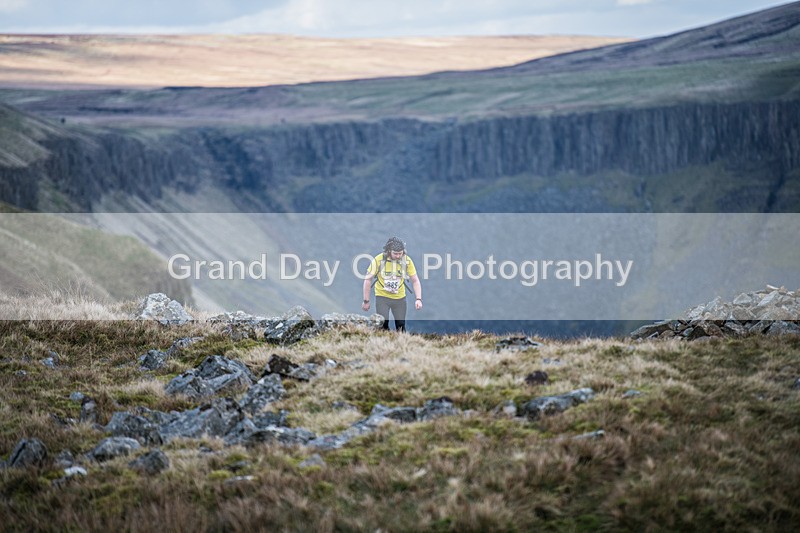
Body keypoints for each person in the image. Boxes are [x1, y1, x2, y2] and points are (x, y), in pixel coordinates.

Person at [362, 237, 422, 332]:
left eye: (400, 253)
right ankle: (385, 344)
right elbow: (368, 279)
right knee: (383, 325)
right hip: (382, 297)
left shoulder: (406, 261)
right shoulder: (379, 259)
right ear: (389, 251)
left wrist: (418, 299)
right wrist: (366, 301)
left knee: (401, 326)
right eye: (395, 253)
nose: (398, 256)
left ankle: (401, 345)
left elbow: (415, 280)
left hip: (399, 298)